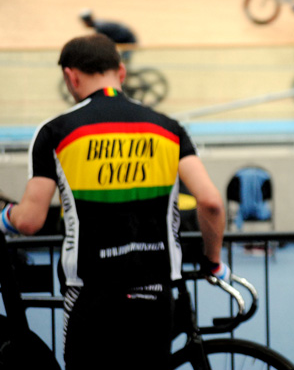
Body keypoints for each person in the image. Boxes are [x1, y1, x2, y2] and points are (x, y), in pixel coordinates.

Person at [0, 34, 229, 370]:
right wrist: (213, 262)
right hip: (155, 292)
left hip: (91, 295)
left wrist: (5, 217)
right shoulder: (169, 128)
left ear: (70, 77)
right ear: (121, 72)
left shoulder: (55, 131)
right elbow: (211, 202)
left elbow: (29, 221)